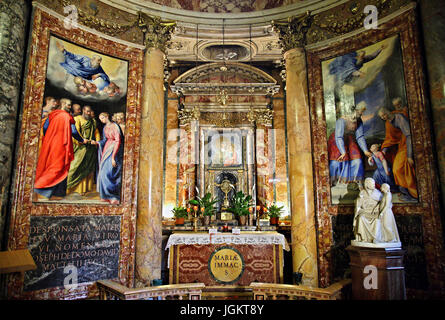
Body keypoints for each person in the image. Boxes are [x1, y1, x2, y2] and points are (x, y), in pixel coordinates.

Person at [34, 98, 87, 200]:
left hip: (51, 143)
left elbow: (45, 128)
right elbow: (74, 132)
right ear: (62, 104)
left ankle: (55, 193)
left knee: (51, 164)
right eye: (68, 105)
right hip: (62, 145)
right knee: (60, 167)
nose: (69, 107)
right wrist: (82, 140)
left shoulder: (52, 115)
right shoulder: (67, 116)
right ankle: (47, 189)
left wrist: (49, 137)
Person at [328, 101, 372, 186]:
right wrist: (343, 152)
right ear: (356, 110)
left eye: (363, 111)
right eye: (361, 111)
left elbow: (360, 137)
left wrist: (365, 150)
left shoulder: (359, 121)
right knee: (336, 161)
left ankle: (355, 182)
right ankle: (336, 183)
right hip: (337, 140)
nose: (362, 113)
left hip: (350, 140)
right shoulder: (341, 120)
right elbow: (339, 137)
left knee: (357, 159)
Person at [378, 107, 417, 201]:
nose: (383, 117)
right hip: (401, 147)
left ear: (388, 111)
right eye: (381, 116)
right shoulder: (388, 123)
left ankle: (411, 194)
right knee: (397, 169)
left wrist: (409, 155)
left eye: (384, 114)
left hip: (407, 145)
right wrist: (384, 150)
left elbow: (409, 135)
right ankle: (405, 192)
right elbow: (390, 139)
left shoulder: (399, 117)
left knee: (398, 169)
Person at [66, 105, 101, 196]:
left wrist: (97, 141)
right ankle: (68, 188)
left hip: (90, 149)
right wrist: (82, 141)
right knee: (74, 167)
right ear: (83, 111)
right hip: (80, 148)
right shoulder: (77, 119)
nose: (89, 113)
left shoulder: (93, 121)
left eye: (90, 111)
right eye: (87, 111)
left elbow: (96, 132)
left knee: (87, 169)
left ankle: (83, 189)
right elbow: (75, 132)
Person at [91, 112, 123, 204]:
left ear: (107, 116)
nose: (102, 120)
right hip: (106, 149)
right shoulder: (105, 128)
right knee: (102, 173)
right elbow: (104, 140)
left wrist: (113, 156)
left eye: (103, 118)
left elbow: (118, 140)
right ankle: (105, 195)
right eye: (100, 119)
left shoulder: (115, 126)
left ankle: (113, 196)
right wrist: (97, 143)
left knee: (109, 173)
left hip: (114, 150)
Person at [353, 177, 382, 243]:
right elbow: (358, 205)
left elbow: (383, 203)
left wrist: (377, 209)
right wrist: (360, 199)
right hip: (365, 212)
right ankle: (364, 238)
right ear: (367, 185)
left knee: (377, 220)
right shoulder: (362, 193)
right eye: (372, 184)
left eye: (374, 184)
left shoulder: (378, 193)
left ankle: (376, 238)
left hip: (375, 213)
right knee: (361, 218)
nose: (374, 185)